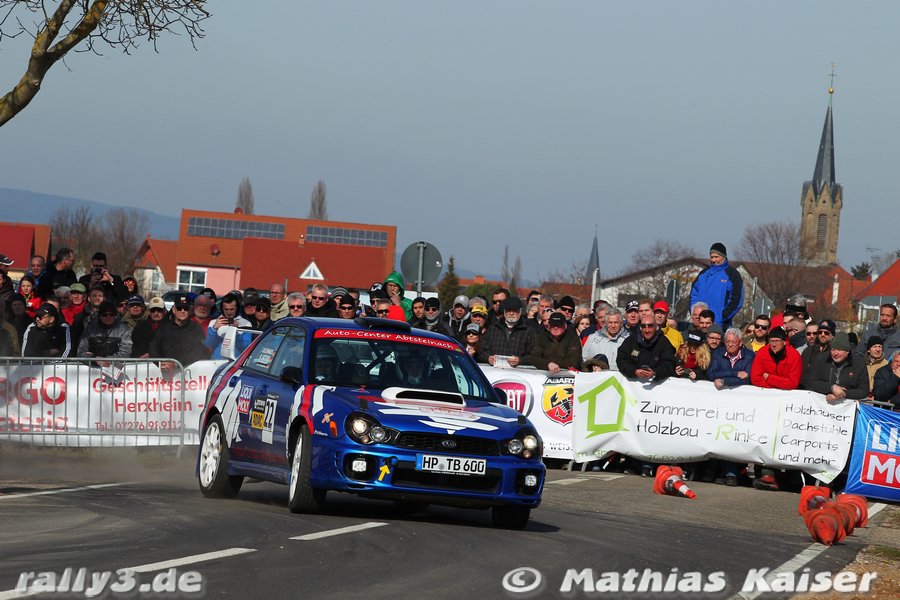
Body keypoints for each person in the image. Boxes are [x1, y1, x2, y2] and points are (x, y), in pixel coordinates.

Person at [689, 243, 744, 328]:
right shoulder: (703, 274)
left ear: (724, 257)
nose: (714, 260)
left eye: (716, 257)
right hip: (700, 324)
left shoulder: (732, 275)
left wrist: (722, 317)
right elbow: (693, 295)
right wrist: (694, 312)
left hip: (720, 326)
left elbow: (736, 301)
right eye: (712, 257)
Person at [150, 294, 210, 371]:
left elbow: (200, 352)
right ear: (174, 310)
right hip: (166, 372)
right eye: (179, 308)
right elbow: (154, 349)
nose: (182, 311)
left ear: (190, 310)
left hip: (189, 373)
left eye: (185, 308)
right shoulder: (164, 328)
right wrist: (161, 362)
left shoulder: (196, 329)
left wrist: (176, 364)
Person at [806, 332, 869, 402]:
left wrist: (843, 393)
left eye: (839, 350)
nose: (835, 353)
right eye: (833, 350)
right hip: (822, 403)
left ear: (847, 351)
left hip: (847, 405)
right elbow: (811, 382)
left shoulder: (859, 363)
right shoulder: (822, 359)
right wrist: (831, 387)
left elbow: (864, 390)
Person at [616, 315, 675, 381]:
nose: (647, 330)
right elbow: (621, 359)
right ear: (641, 328)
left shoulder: (664, 342)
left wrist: (655, 372)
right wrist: (634, 371)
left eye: (650, 326)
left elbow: (669, 364)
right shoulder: (631, 340)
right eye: (644, 326)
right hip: (632, 383)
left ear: (656, 327)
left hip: (656, 384)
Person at [481, 296, 533, 368]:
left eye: (515, 311)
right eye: (508, 310)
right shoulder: (493, 328)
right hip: (495, 370)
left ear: (520, 311)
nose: (511, 313)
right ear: (504, 311)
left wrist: (520, 360)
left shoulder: (528, 330)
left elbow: (534, 355)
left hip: (518, 371)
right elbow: (481, 350)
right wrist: (488, 358)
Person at [205, 292, 253, 359]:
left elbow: (246, 347)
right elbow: (209, 344)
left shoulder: (246, 323)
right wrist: (214, 329)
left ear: (237, 308)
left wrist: (236, 332)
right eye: (226, 309)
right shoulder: (213, 322)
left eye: (232, 309)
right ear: (222, 308)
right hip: (216, 361)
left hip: (236, 361)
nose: (229, 312)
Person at [801, 319, 834, 389]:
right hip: (807, 390)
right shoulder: (808, 351)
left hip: (825, 391)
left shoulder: (835, 353)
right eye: (820, 332)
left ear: (832, 335)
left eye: (826, 333)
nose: (822, 335)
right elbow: (802, 373)